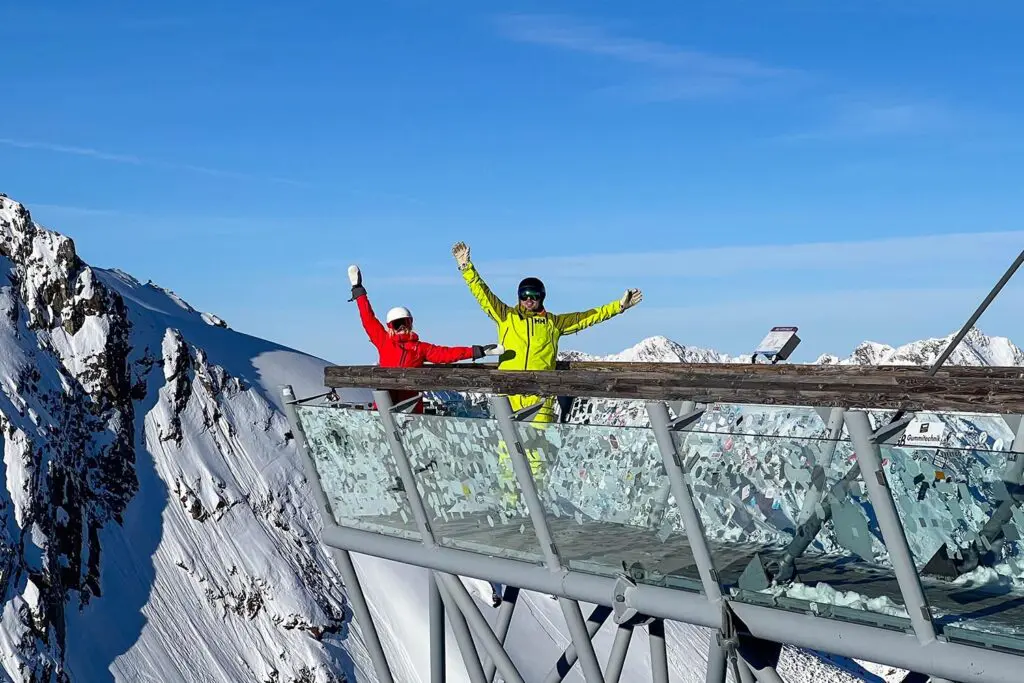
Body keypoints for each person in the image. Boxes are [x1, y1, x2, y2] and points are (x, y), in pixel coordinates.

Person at [450, 241, 643, 422]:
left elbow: (588, 317)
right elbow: (482, 294)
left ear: (541, 298)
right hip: (509, 390)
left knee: (539, 448)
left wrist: (618, 307)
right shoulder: (506, 316)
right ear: (519, 297)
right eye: (524, 295)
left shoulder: (553, 322)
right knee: (508, 447)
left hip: (541, 392)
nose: (529, 300)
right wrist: (466, 267)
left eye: (534, 296)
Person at [348, 264, 503, 413]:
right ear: (390, 327)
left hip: (410, 408)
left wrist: (478, 351)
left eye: (405, 322)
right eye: (397, 324)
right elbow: (368, 319)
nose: (402, 327)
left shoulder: (420, 348)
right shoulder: (384, 341)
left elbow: (447, 354)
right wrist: (358, 290)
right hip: (385, 404)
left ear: (411, 323)